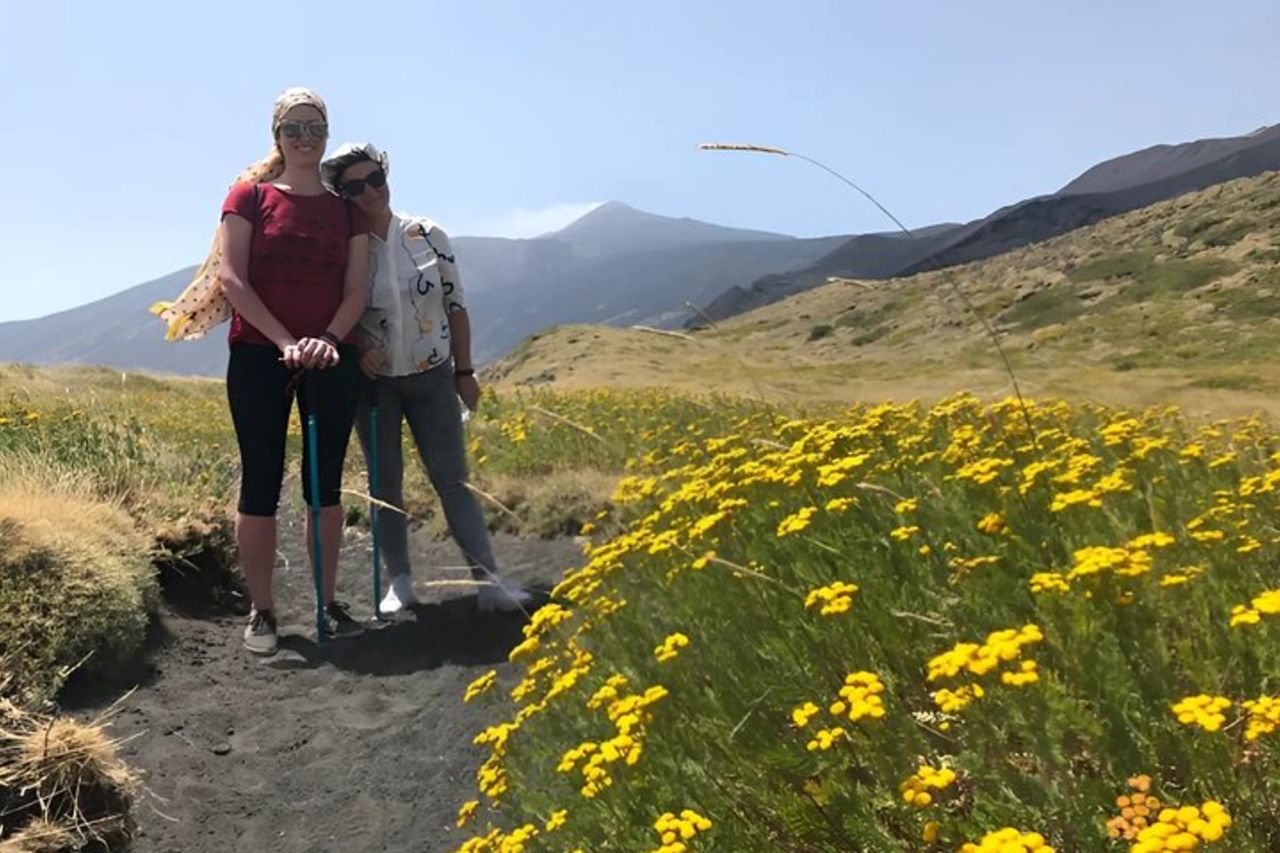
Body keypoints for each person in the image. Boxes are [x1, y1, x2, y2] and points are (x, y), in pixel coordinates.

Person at [155, 89, 370, 653]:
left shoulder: (347, 211)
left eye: (315, 127)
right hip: (258, 354)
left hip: (331, 356)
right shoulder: (248, 196)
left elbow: (356, 290)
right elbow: (233, 278)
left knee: (324, 484)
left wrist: (326, 340)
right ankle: (263, 611)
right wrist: (285, 342)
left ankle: (327, 604)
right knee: (260, 479)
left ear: (326, 134)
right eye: (293, 128)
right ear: (277, 135)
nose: (305, 138)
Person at [319, 142, 532, 614]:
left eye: (375, 179)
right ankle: (400, 584)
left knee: (453, 480)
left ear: (386, 175)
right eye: (354, 187)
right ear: (341, 195)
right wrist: (359, 346)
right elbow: (334, 308)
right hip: (373, 386)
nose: (369, 191)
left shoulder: (428, 234)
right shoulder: (343, 247)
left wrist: (464, 371)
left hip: (433, 376)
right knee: (384, 486)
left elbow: (455, 305)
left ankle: (489, 583)